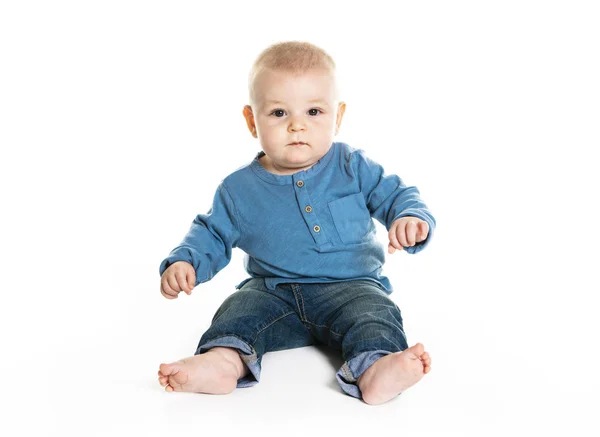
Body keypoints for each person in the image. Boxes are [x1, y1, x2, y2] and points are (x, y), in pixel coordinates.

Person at [157, 41, 435, 405]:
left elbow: (396, 194)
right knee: (238, 312)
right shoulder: (238, 189)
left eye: (314, 111)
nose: (297, 126)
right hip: (273, 289)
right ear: (251, 120)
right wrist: (186, 261)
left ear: (338, 116)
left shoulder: (351, 165)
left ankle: (376, 369)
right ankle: (223, 362)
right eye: (278, 113)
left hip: (352, 286)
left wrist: (409, 217)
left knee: (375, 315)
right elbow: (211, 232)